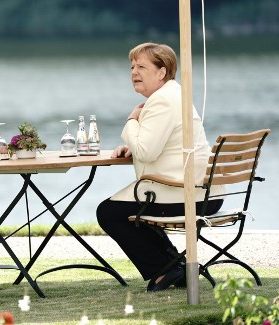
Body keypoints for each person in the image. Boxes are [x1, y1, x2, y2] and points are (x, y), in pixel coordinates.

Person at [96, 42, 225, 291]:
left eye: (142, 66)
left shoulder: (162, 101)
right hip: (208, 193)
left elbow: (147, 150)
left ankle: (163, 270)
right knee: (128, 210)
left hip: (187, 195)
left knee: (109, 213)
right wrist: (135, 146)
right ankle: (172, 267)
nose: (134, 71)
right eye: (132, 66)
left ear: (162, 71)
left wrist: (132, 120)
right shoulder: (174, 94)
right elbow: (163, 144)